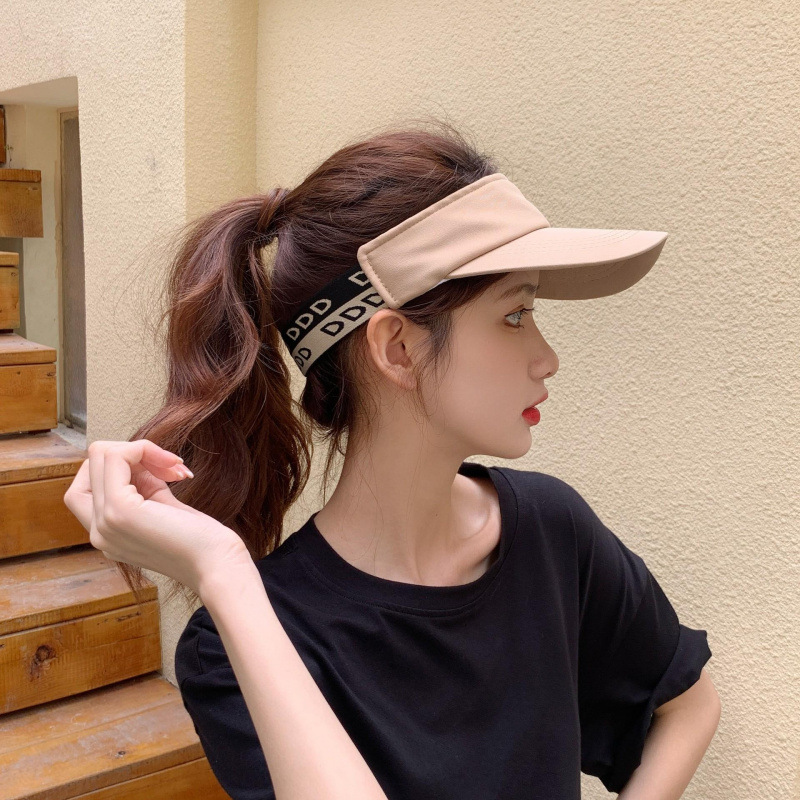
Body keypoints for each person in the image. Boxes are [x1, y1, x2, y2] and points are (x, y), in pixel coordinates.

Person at [64, 121, 720, 800]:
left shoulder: (553, 533)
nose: (547, 357)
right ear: (397, 349)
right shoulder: (238, 646)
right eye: (515, 315)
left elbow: (688, 704)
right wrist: (223, 573)